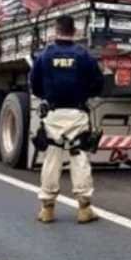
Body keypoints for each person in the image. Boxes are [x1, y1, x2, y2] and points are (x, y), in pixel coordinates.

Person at [30, 15, 104, 224]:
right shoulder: (84, 56)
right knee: (78, 156)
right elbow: (98, 83)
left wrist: (47, 95)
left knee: (52, 158)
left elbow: (34, 85)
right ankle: (84, 208)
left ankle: (47, 208)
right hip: (77, 113)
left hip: (53, 113)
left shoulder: (44, 56)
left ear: (55, 31)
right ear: (75, 32)